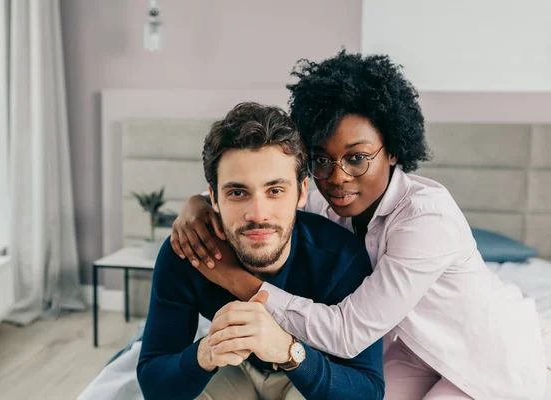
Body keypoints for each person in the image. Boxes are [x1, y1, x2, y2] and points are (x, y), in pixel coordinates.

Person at [170, 52, 550, 400]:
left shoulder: (426, 218)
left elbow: (347, 333)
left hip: (483, 351)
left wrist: (239, 281)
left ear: (394, 150)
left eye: (357, 158)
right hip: (411, 348)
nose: (338, 178)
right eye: (321, 159)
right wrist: (198, 204)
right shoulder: (326, 193)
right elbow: (262, 193)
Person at [137, 102, 385, 400]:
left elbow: (368, 390)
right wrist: (205, 353)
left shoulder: (342, 258)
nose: (258, 214)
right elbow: (153, 381)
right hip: (232, 370)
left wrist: (286, 350)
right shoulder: (189, 249)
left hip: (310, 371)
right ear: (213, 198)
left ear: (302, 192)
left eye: (275, 191)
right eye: (238, 193)